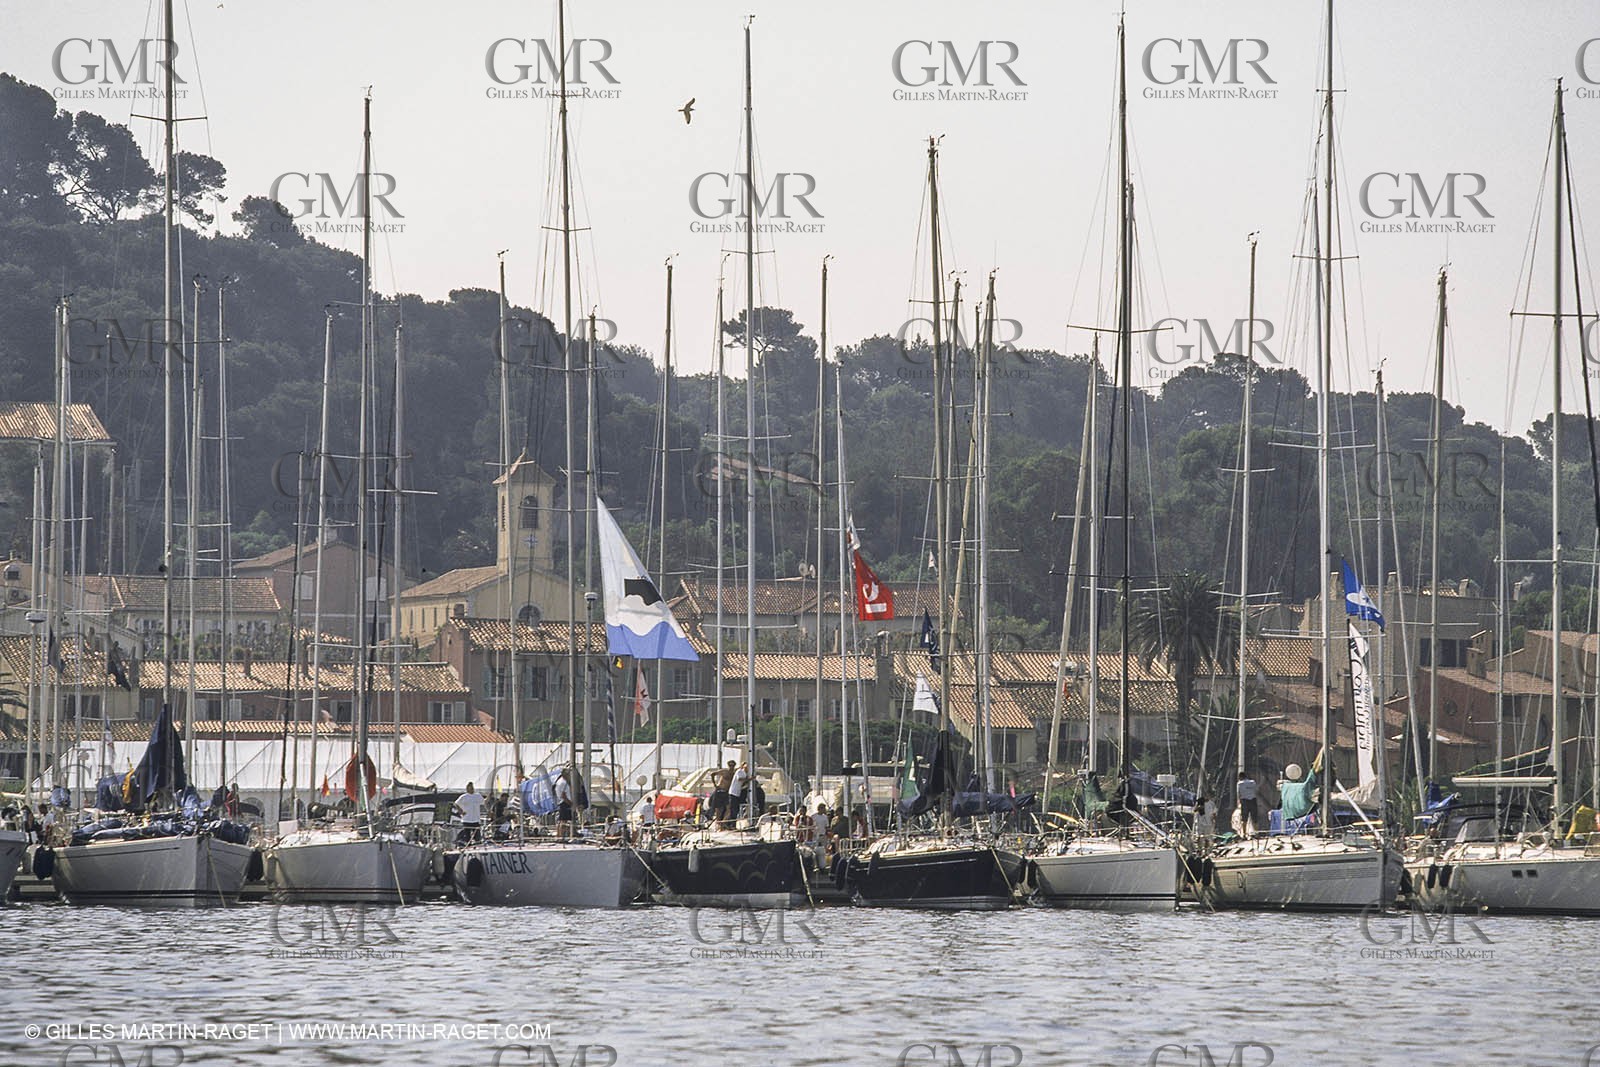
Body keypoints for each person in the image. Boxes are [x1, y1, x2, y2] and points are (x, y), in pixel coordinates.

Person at [1236, 769, 1259, 837]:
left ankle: (1244, 834)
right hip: (1253, 800)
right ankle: (1256, 833)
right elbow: (1256, 791)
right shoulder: (1252, 782)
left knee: (1244, 818)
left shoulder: (1240, 783)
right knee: (1254, 818)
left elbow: (1238, 793)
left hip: (1244, 801)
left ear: (1240, 777)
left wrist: (1239, 802)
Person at [555, 769, 575, 838]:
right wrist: (570, 803)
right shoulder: (564, 783)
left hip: (561, 802)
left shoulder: (559, 781)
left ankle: (559, 836)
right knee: (564, 821)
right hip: (565, 803)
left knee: (561, 820)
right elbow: (563, 795)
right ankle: (562, 836)